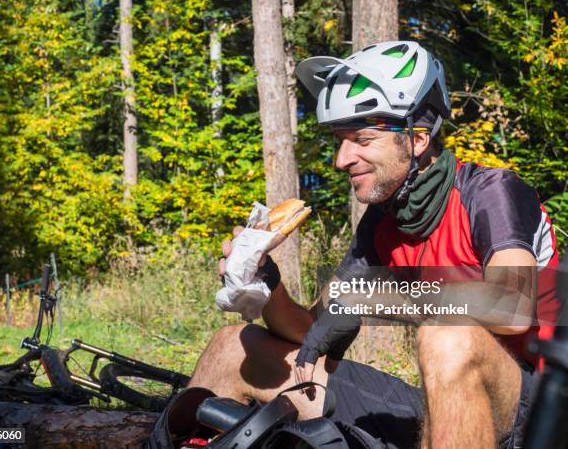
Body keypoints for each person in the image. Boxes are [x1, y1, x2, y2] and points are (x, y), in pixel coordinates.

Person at [187, 41, 560, 448]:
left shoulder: (490, 192)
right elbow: (313, 330)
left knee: (449, 337)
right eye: (339, 140)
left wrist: (376, 296)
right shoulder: (383, 220)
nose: (341, 158)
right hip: (446, 403)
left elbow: (513, 306)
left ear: (417, 140)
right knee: (233, 346)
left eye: (361, 140)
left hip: (537, 414)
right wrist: (268, 284)